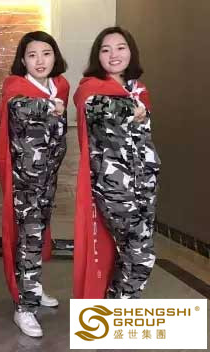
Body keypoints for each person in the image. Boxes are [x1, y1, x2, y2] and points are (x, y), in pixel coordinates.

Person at [73, 26, 160, 300]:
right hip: (114, 188)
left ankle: (115, 313)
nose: (114, 55)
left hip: (144, 183)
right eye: (106, 49)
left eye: (121, 48)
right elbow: (98, 107)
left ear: (131, 52)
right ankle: (118, 310)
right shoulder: (90, 90)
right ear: (97, 56)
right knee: (141, 254)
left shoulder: (138, 89)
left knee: (130, 254)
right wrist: (131, 109)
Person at [0, 31, 69, 337]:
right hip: (25, 182)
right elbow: (21, 107)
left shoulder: (60, 86)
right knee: (30, 239)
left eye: (46, 53)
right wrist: (50, 106)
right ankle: (25, 308)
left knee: (36, 238)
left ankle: (33, 288)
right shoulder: (15, 86)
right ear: (22, 60)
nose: (40, 60)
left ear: (55, 57)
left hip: (48, 179)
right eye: (32, 55)